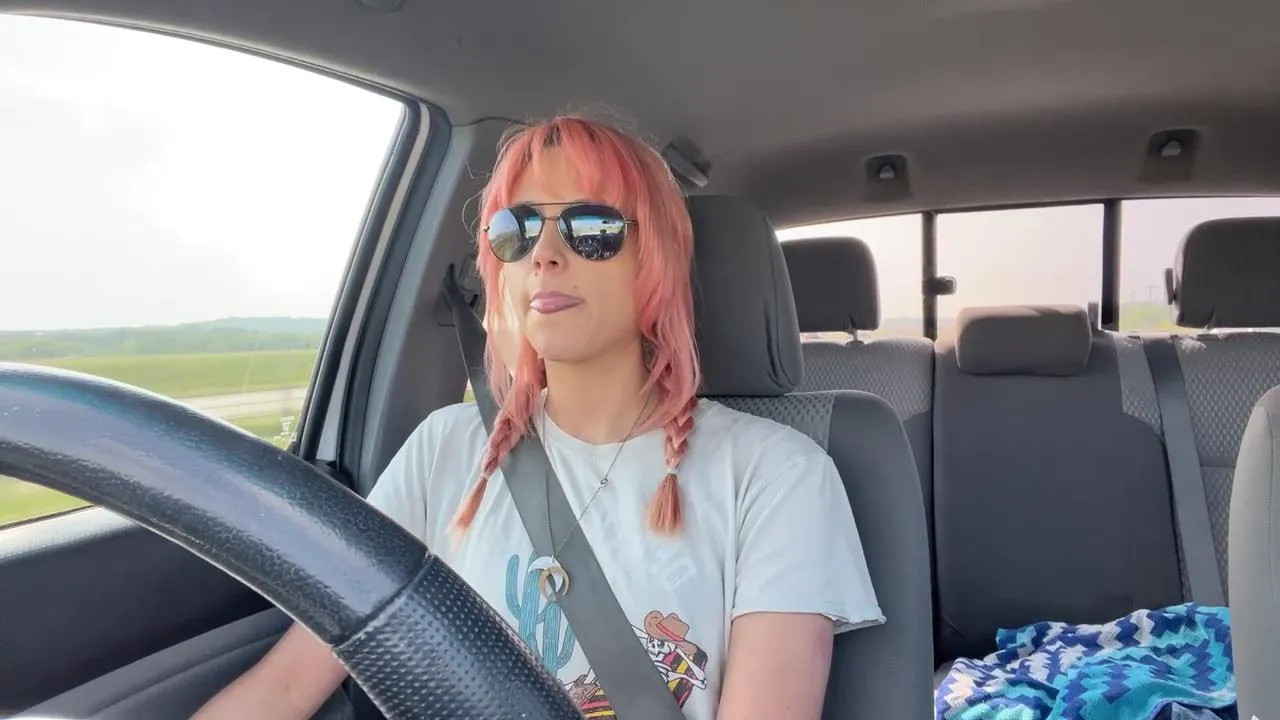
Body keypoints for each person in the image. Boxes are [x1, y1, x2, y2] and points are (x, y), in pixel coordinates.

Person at [191, 116, 883, 720]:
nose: (545, 255)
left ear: (658, 261)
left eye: (591, 228)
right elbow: (287, 686)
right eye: (515, 230)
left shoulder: (778, 476)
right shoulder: (443, 450)